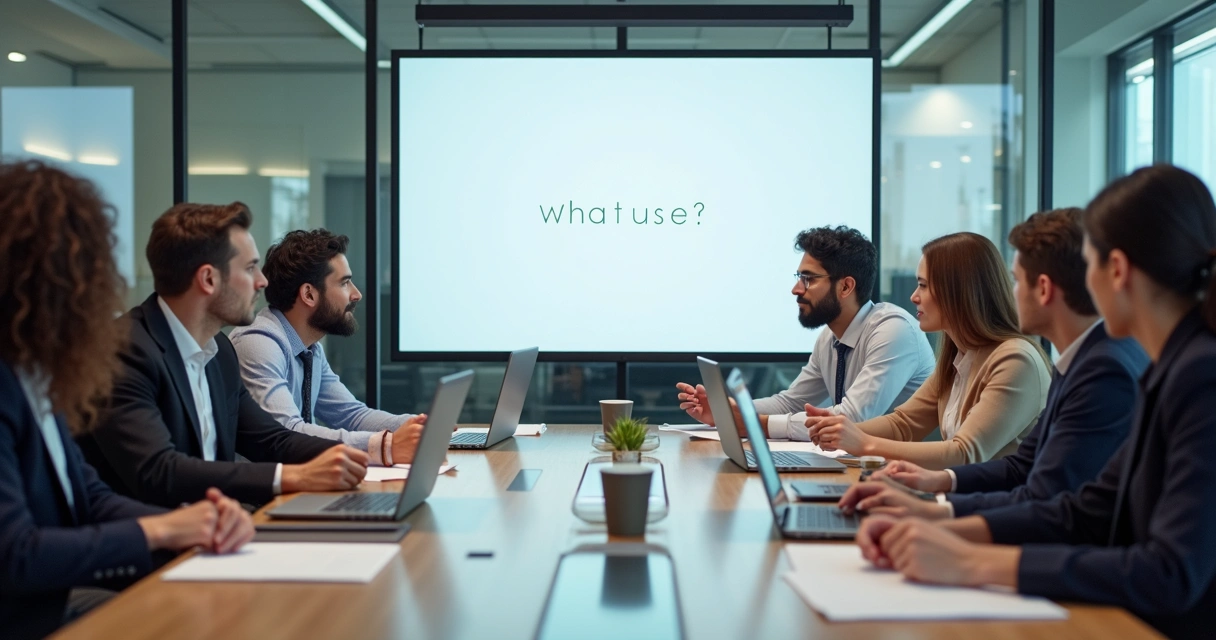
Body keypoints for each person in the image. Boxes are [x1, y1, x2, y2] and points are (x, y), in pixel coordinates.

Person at [855, 165, 1216, 639]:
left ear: (1118, 271)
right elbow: (1086, 509)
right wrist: (936, 517)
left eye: (1088, 265)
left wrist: (970, 560)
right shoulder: (1163, 364)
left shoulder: (1192, 374)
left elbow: (1168, 573)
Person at [0, 161, 254, 640]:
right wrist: (162, 532)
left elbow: (89, 497)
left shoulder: (34, 375)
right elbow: (16, 555)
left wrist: (190, 524)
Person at [838, 209, 1147, 518]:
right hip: (1003, 512)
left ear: (1043, 288)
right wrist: (939, 482)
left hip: (1020, 526)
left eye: (1016, 280)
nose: (914, 297)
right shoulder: (1078, 360)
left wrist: (934, 510)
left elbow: (1046, 498)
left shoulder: (1051, 363)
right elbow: (1023, 467)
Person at [78, 202, 369, 508]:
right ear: (208, 279)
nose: (263, 281)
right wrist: (293, 478)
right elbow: (158, 471)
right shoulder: (124, 350)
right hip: (155, 547)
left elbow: (272, 440)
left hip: (218, 536)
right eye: (249, 268)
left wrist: (370, 452)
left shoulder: (220, 352)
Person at [808, 232, 1051, 469]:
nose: (914, 296)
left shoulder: (1015, 360)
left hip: (996, 505)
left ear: (959, 290)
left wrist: (864, 443)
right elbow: (904, 424)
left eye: (923, 285)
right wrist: (838, 429)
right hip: (963, 497)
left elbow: (964, 453)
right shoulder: (959, 355)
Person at [676, 226, 935, 439]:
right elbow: (790, 402)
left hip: (906, 473)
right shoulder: (831, 337)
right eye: (799, 277)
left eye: (808, 279)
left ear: (845, 287)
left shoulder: (894, 330)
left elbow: (852, 418)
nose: (796, 289)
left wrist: (758, 424)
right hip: (861, 464)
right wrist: (726, 412)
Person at [230, 229, 425, 466]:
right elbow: (289, 432)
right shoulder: (258, 344)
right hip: (258, 500)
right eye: (344, 283)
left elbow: (352, 415)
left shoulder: (309, 349)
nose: (356, 294)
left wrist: (418, 426)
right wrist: (385, 446)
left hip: (299, 487)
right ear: (309, 294)